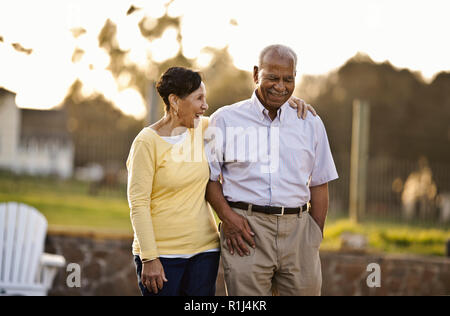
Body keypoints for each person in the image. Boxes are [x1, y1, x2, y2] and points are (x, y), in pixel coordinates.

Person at [127, 66, 315, 296]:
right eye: (199, 99)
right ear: (175, 101)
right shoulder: (147, 142)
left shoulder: (205, 128)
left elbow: (247, 116)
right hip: (163, 256)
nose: (205, 106)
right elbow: (138, 204)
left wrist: (287, 100)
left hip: (203, 253)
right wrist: (149, 257)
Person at [205, 44, 338, 296]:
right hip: (245, 231)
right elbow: (210, 180)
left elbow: (320, 182)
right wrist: (227, 218)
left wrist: (313, 234)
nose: (281, 86)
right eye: (273, 78)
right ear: (256, 74)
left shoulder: (310, 122)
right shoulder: (224, 120)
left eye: (288, 79)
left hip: (299, 232)